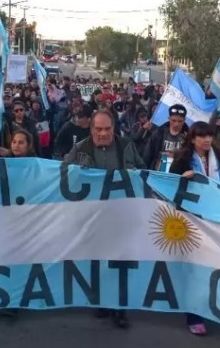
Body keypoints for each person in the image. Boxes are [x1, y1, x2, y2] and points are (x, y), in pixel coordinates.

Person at [63, 110, 144, 328]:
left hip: (121, 216)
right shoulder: (80, 149)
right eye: (98, 129)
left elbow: (142, 170)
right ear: (91, 130)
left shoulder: (126, 145)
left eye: (107, 129)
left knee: (121, 262)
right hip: (92, 217)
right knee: (97, 260)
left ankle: (119, 307)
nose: (103, 133)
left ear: (114, 128)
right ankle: (101, 300)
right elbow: (62, 173)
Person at [168, 121, 220, 336]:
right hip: (190, 220)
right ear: (193, 138)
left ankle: (206, 305)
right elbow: (170, 184)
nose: (207, 140)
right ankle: (193, 314)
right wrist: (182, 179)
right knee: (194, 268)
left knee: (211, 267)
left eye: (210, 136)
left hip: (215, 219)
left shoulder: (218, 157)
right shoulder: (183, 158)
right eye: (202, 136)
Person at [143, 104, 188, 170]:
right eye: (173, 120)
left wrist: (177, 155)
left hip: (178, 173)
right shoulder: (158, 133)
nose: (176, 124)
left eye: (180, 121)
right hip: (158, 170)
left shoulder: (188, 136)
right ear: (169, 118)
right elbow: (148, 153)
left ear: (184, 120)